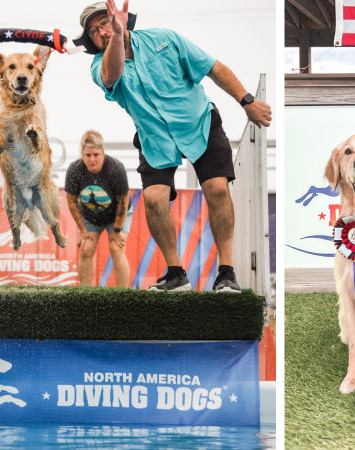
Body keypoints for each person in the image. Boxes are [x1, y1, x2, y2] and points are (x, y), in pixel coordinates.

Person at [73, 1, 273, 292]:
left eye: (106, 22)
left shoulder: (165, 38)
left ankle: (226, 273)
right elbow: (112, 76)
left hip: (200, 123)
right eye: (93, 30)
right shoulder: (98, 67)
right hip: (154, 137)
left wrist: (247, 102)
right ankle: (176, 273)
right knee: (154, 199)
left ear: (124, 19)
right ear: (90, 40)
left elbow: (213, 67)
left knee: (217, 188)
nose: (101, 30)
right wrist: (116, 36)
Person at [65, 130, 132, 287]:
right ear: (82, 154)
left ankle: (123, 295)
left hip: (117, 213)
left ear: (103, 153)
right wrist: (82, 229)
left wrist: (116, 230)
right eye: (88, 155)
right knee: (86, 248)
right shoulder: (75, 170)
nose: (92, 159)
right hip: (90, 215)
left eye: (96, 154)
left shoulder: (116, 168)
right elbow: (71, 202)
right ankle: (86, 294)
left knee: (116, 247)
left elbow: (123, 202)